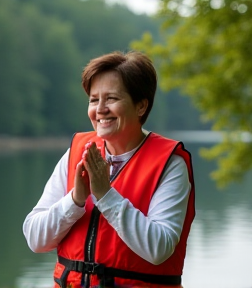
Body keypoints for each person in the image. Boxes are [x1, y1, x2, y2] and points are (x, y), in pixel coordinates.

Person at [23, 51, 195, 288]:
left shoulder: (169, 164)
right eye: (94, 100)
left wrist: (105, 195)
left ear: (141, 106)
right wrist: (75, 199)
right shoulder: (76, 152)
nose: (100, 109)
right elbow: (35, 238)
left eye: (111, 98)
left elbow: (159, 248)